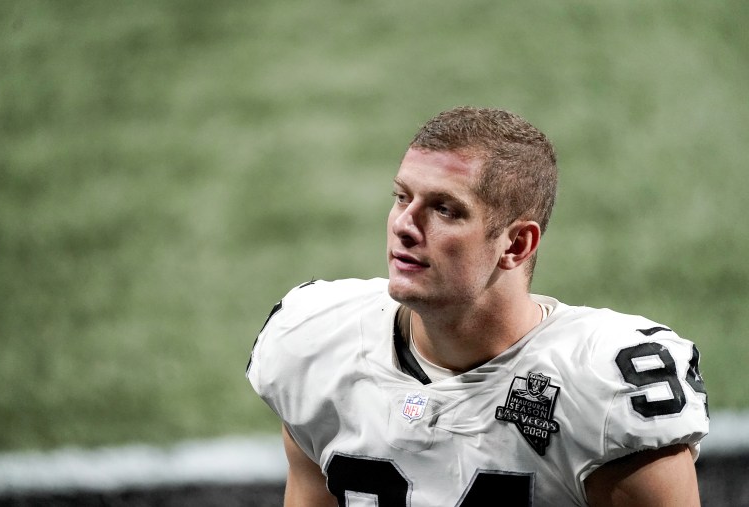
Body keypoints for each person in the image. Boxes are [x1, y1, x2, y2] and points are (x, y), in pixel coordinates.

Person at [247, 107, 709, 506]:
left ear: (516, 244)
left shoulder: (606, 387)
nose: (405, 225)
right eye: (402, 197)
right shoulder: (317, 339)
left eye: (445, 209)